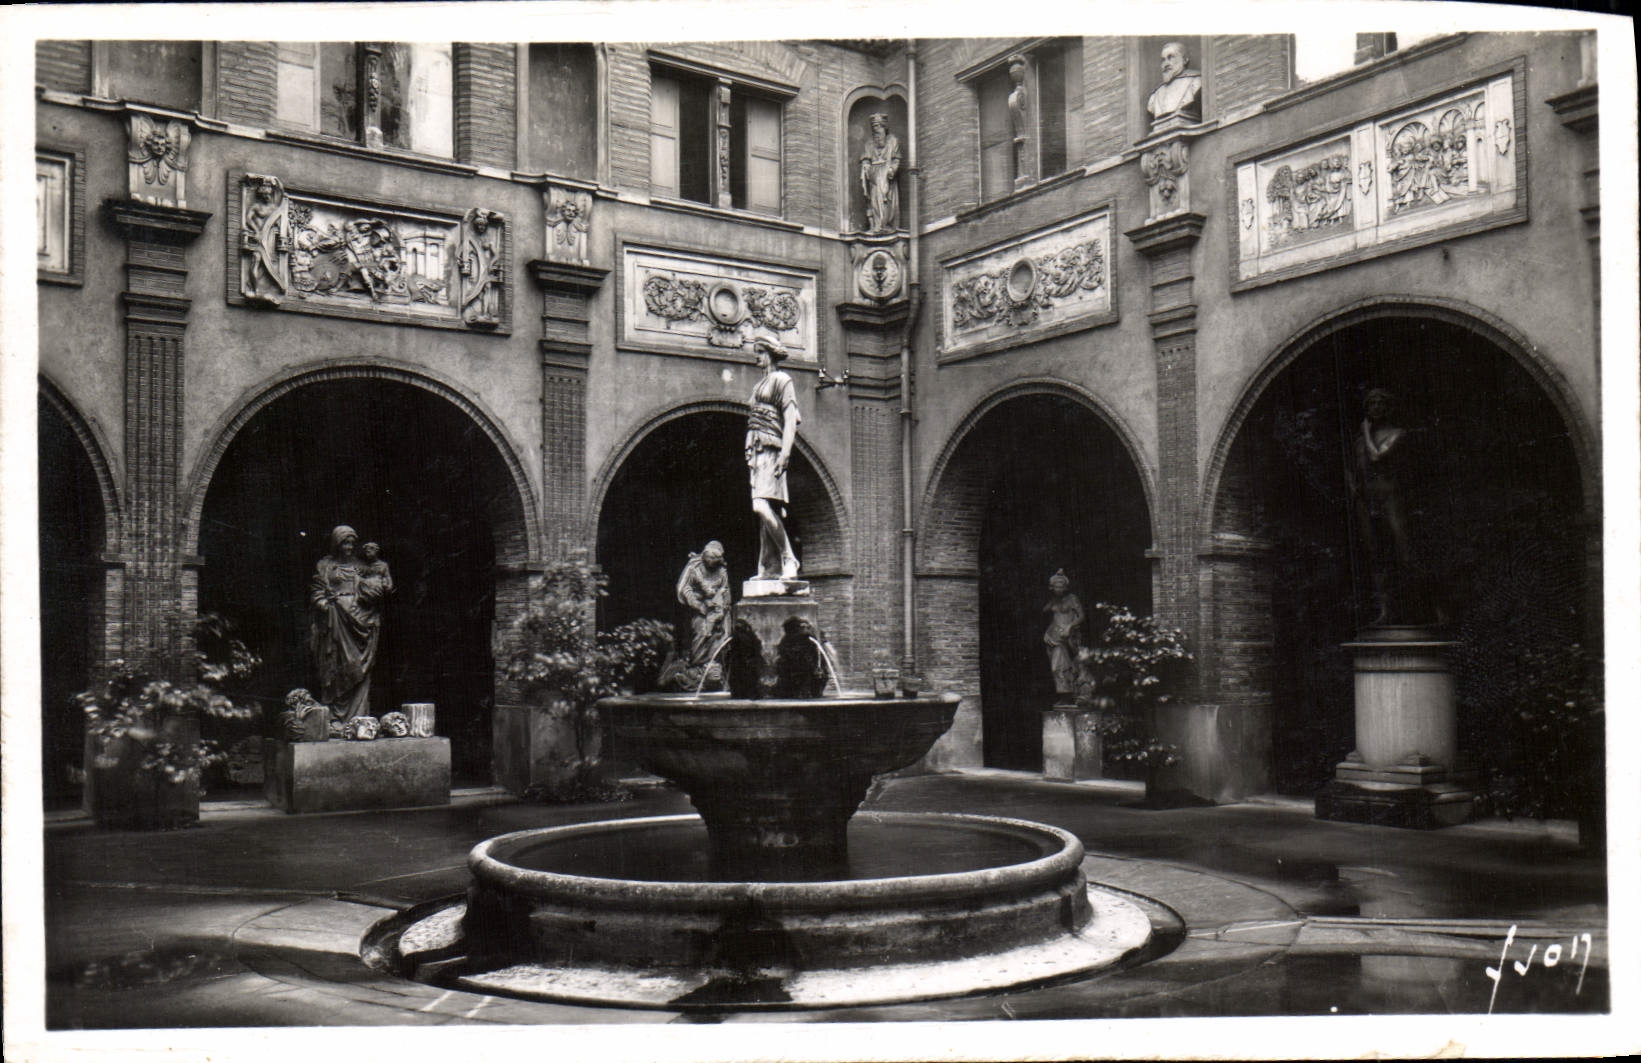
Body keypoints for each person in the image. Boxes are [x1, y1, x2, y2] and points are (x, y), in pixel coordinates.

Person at [1348, 388, 1422, 626]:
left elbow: (1377, 456)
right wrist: (1353, 487)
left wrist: (1367, 432)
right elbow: (1353, 466)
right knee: (1375, 556)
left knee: (1405, 552)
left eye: (1380, 404)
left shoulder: (1398, 434)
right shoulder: (1358, 442)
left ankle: (1425, 606)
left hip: (1390, 496)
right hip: (1366, 500)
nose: (1375, 408)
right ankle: (1384, 611)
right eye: (1371, 404)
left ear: (1388, 408)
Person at [308, 525, 387, 721]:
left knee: (359, 667)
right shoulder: (325, 565)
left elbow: (378, 587)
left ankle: (358, 717)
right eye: (345, 542)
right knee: (335, 666)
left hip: (359, 619)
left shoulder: (361, 566)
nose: (350, 546)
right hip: (335, 621)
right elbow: (317, 591)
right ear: (336, 543)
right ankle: (335, 717)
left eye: (352, 542)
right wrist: (324, 604)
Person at [746, 336, 802, 581]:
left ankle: (789, 558)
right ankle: (769, 568)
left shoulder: (782, 379)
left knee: (761, 506)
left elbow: (790, 420)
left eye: (759, 352)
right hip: (757, 450)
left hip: (772, 449)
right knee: (763, 509)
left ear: (770, 354)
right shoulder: (761, 384)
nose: (756, 357)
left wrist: (786, 453)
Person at [676, 540, 731, 678]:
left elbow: (725, 589)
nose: (712, 561)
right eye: (709, 558)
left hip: (717, 608)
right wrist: (698, 604)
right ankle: (699, 666)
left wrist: (721, 605)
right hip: (698, 608)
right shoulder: (694, 569)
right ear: (704, 556)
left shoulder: (722, 571)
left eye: (715, 558)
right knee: (701, 632)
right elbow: (685, 589)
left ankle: (714, 665)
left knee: (721, 635)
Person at [1043, 570, 1085, 697]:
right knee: (1057, 667)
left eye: (1061, 586)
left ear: (1065, 587)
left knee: (1068, 665)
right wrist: (1047, 632)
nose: (1059, 589)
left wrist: (1070, 626)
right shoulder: (1053, 601)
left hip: (1068, 637)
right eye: (1056, 586)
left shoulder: (1072, 599)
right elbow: (1049, 615)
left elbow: (1081, 616)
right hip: (1054, 637)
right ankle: (1065, 694)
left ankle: (1073, 693)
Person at [858, 113, 902, 234]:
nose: (876, 130)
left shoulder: (893, 141)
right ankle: (877, 225)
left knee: (886, 198)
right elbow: (865, 159)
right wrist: (866, 167)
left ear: (884, 127)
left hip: (887, 174)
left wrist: (892, 169)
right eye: (874, 127)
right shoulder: (869, 144)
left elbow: (896, 159)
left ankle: (886, 224)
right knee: (875, 200)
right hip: (874, 175)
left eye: (878, 126)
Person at [1146, 42, 1203, 126]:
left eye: (1171, 57)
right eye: (1163, 60)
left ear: (1185, 60)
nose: (1166, 64)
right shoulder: (1155, 95)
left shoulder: (1196, 82)